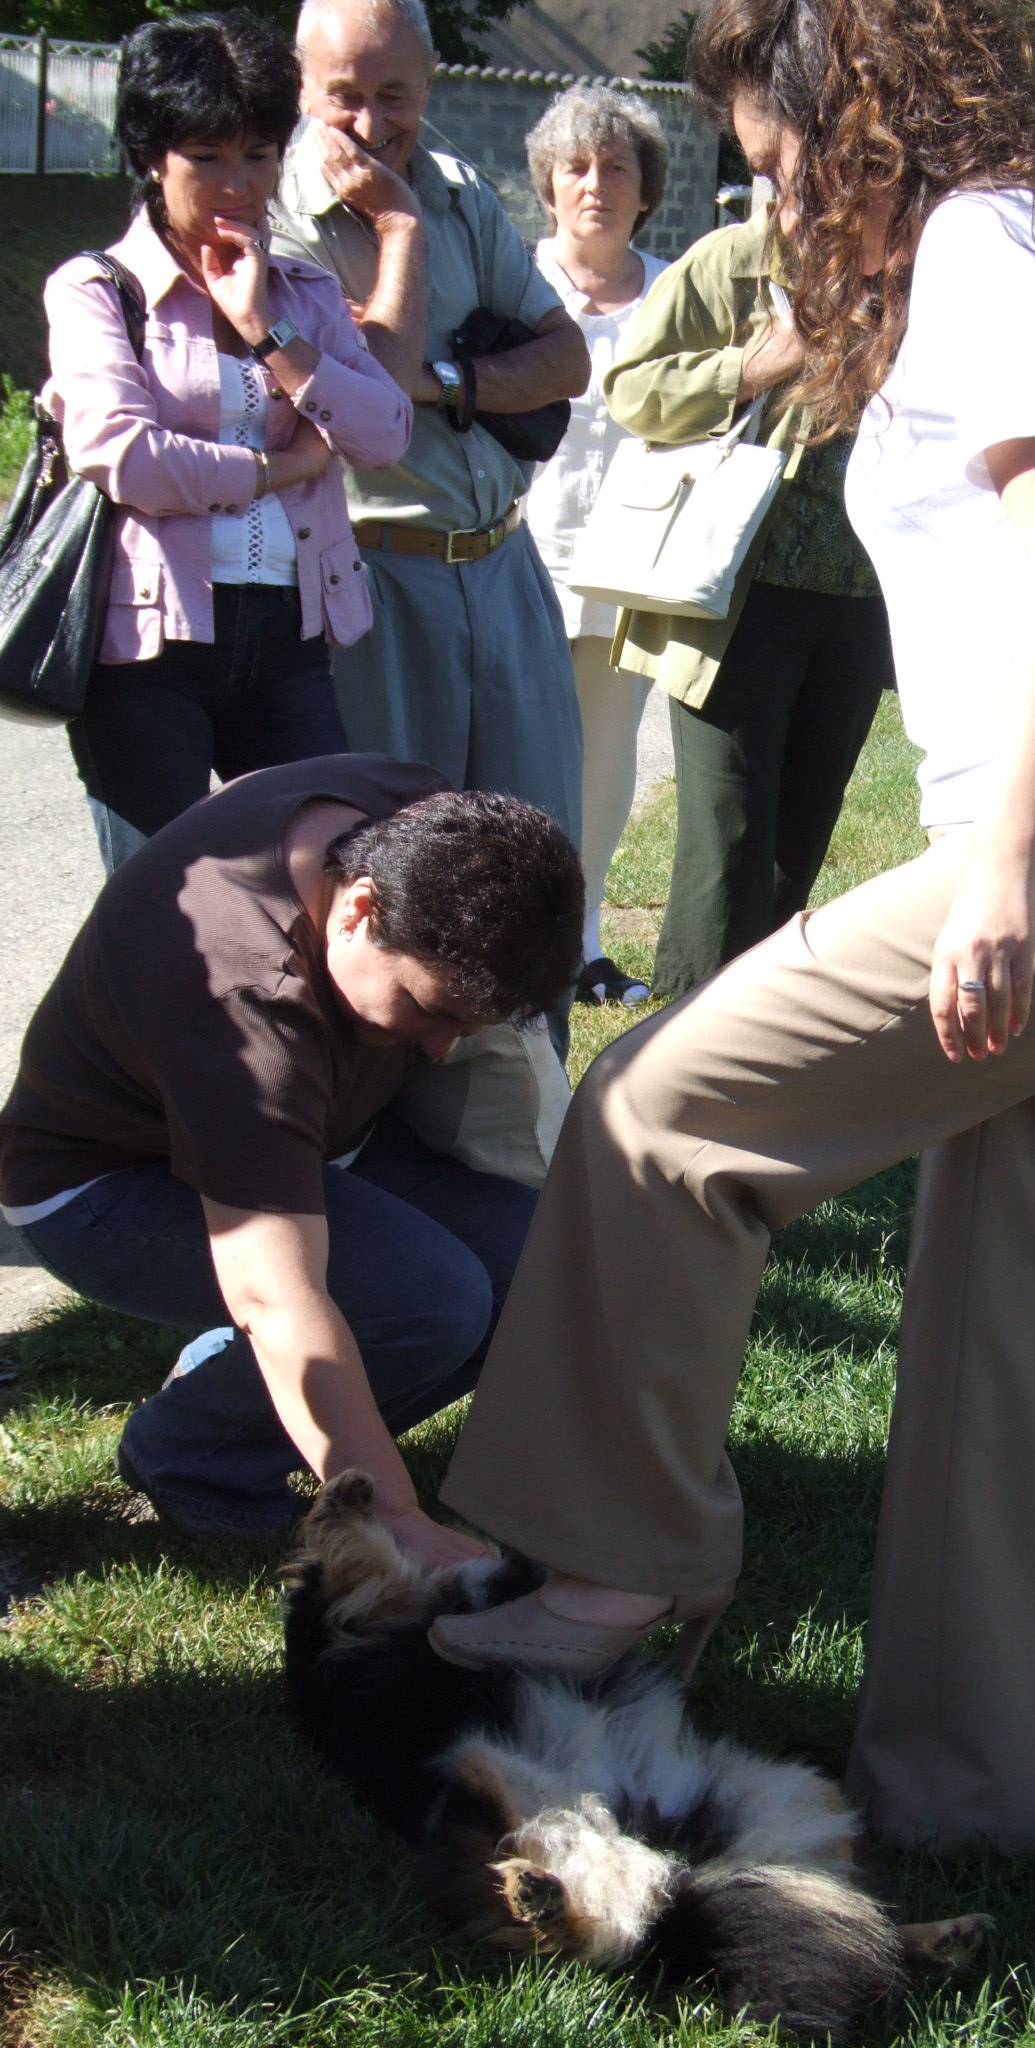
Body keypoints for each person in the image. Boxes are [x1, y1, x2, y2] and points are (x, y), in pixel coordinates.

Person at [424, 0, 1035, 1860]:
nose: (781, 196)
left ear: (867, 113)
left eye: (782, 155)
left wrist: (999, 860)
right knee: (1005, 1352)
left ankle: (619, 1562)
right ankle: (978, 1802)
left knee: (656, 1116)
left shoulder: (984, 239)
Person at [0, 757, 583, 1561]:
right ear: (361, 910)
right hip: (110, 1182)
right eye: (430, 1009)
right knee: (429, 1304)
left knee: (538, 1267)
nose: (441, 1048)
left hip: (319, 1136)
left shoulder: (415, 820)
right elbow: (276, 1295)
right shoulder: (246, 1004)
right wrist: (394, 1518)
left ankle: (226, 1387)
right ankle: (192, 1453)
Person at [44, 11, 412, 873]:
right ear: (153, 158)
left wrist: (267, 330)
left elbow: (386, 432)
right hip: (148, 646)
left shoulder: (302, 292)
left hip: (290, 634)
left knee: (321, 876)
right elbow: (123, 454)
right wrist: (278, 468)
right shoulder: (99, 290)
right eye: (206, 157)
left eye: (257, 155)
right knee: (165, 897)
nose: (237, 184)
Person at [267, 0, 590, 852]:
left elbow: (568, 360)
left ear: (431, 83)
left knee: (537, 850)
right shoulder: (277, 215)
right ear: (301, 86)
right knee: (399, 864)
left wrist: (443, 382)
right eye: (345, 95)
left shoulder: (461, 190)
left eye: (395, 95)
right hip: (374, 582)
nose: (371, 125)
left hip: (505, 565)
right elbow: (369, 393)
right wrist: (397, 225)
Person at [601, 172, 896, 1000]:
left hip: (861, 595)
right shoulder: (733, 263)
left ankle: (756, 1022)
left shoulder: (910, 274)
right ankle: (683, 1031)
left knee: (801, 833)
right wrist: (756, 366)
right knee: (729, 834)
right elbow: (632, 391)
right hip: (737, 597)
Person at [523, 85, 671, 1008]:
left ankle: (579, 949)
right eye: (575, 167)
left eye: (616, 167)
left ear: (645, 189)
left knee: (605, 768)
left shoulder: (674, 292)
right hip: (517, 557)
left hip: (630, 567)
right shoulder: (515, 283)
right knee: (514, 755)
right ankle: (504, 938)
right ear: (548, 184)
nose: (595, 185)